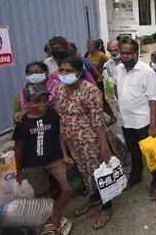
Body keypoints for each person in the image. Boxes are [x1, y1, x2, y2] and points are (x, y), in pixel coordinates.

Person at [54, 56, 114, 230]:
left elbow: (97, 121)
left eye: (69, 71)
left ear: (79, 72)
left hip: (89, 141)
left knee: (98, 172)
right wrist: (64, 148)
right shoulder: (60, 90)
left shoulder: (90, 91)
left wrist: (103, 147)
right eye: (62, 70)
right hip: (72, 142)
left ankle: (107, 206)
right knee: (85, 172)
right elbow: (61, 118)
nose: (64, 74)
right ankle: (95, 199)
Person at [13, 84, 74, 234]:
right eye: (37, 101)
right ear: (27, 103)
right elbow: (18, 149)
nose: (43, 104)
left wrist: (65, 155)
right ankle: (49, 222)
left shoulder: (53, 114)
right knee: (42, 194)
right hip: (32, 164)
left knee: (68, 187)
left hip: (55, 158)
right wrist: (19, 170)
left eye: (45, 99)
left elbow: (60, 135)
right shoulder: (22, 123)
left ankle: (56, 214)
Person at [114, 37, 156, 201]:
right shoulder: (118, 69)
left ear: (136, 53)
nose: (125, 56)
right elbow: (117, 88)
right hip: (126, 120)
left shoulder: (147, 72)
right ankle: (136, 176)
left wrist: (152, 125)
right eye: (122, 53)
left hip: (143, 122)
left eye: (128, 53)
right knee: (133, 152)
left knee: (149, 153)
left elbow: (153, 100)